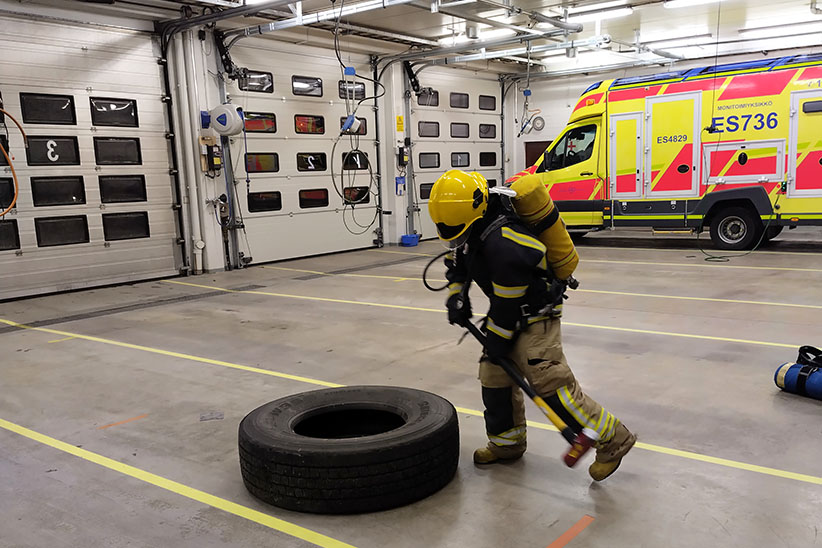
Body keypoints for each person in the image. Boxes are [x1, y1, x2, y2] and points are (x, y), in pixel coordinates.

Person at [428, 170, 635, 481]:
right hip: (506, 311)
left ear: (475, 212)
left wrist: (496, 340)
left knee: (550, 383)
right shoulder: (473, 227)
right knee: (493, 377)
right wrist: (457, 296)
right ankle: (506, 444)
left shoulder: (506, 244)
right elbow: (459, 261)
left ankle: (614, 440)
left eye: (461, 231)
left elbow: (509, 303)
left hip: (536, 315)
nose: (457, 237)